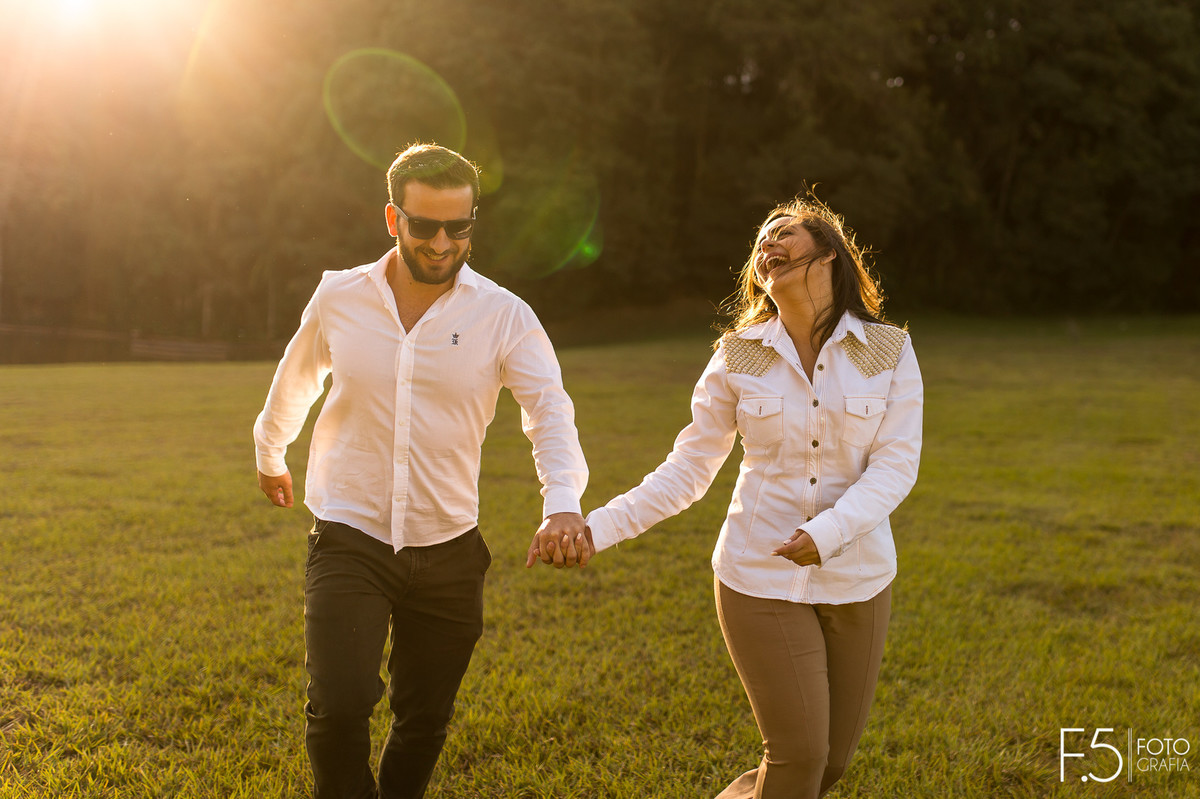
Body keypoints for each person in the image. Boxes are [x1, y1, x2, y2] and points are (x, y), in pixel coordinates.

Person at [253, 143, 591, 799]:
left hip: (450, 547)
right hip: (351, 533)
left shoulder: (504, 315)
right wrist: (271, 453)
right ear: (393, 218)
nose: (441, 243)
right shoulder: (340, 296)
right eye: (425, 225)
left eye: (457, 227)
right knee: (340, 704)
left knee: (424, 718)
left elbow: (549, 409)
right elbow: (295, 378)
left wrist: (562, 502)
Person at [559, 196, 922, 798]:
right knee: (799, 756)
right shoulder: (739, 352)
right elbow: (687, 469)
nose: (767, 245)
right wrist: (596, 528)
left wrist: (829, 533)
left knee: (830, 763)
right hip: (757, 575)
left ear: (828, 254)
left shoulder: (887, 349)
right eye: (760, 243)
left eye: (783, 233)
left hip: (859, 577)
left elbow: (895, 465)